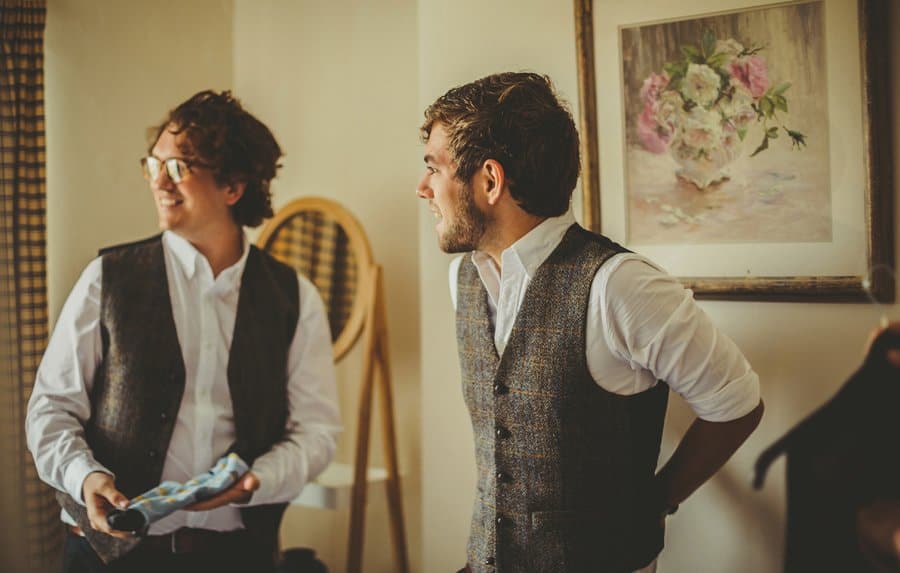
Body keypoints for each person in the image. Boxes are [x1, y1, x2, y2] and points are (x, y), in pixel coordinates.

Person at [416, 72, 764, 573]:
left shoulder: (620, 285)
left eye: (435, 168)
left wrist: (657, 501)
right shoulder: (463, 280)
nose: (423, 188)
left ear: (490, 180)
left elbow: (737, 403)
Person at [26, 90, 341, 573]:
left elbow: (316, 432)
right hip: (107, 557)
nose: (159, 181)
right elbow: (50, 408)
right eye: (154, 165)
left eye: (178, 168)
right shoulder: (107, 278)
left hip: (238, 557)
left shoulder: (294, 297)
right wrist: (84, 476)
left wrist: (256, 480)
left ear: (232, 186)